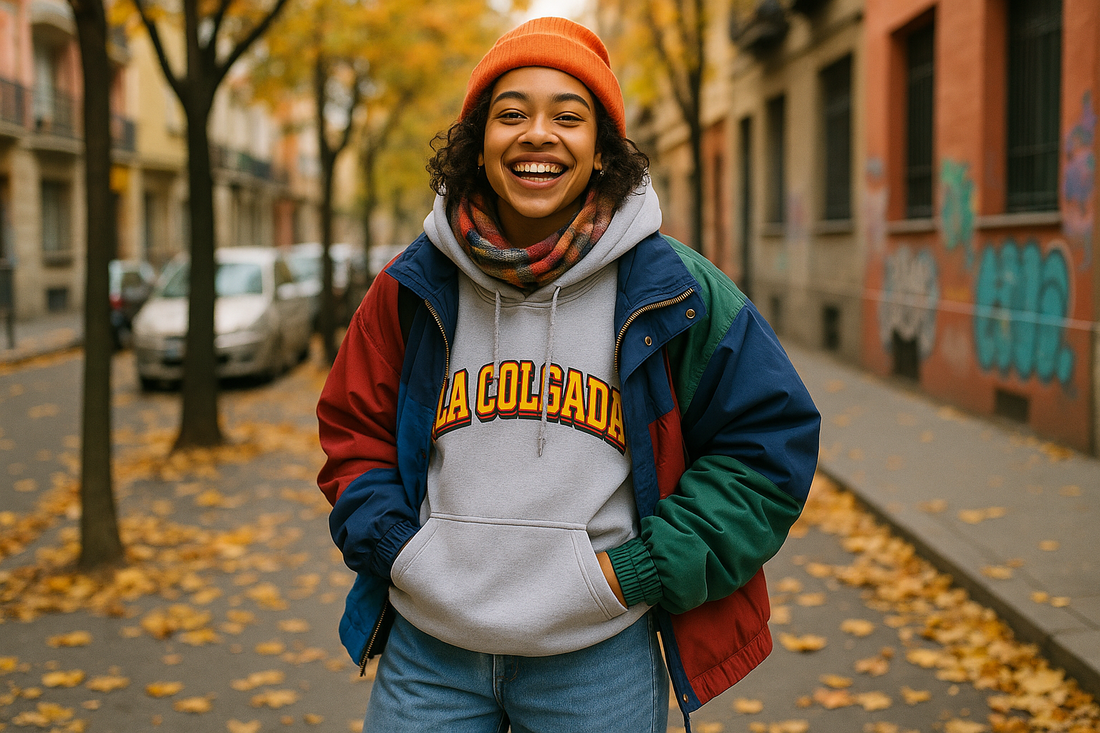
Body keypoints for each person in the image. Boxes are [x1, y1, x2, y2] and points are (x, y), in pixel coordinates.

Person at [316, 16, 820, 732]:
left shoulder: (674, 288)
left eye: (569, 116)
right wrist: (400, 549)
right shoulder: (411, 286)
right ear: (477, 144)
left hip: (597, 655)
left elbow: (769, 445)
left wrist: (638, 570)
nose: (537, 134)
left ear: (600, 149)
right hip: (430, 653)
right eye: (511, 113)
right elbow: (350, 430)